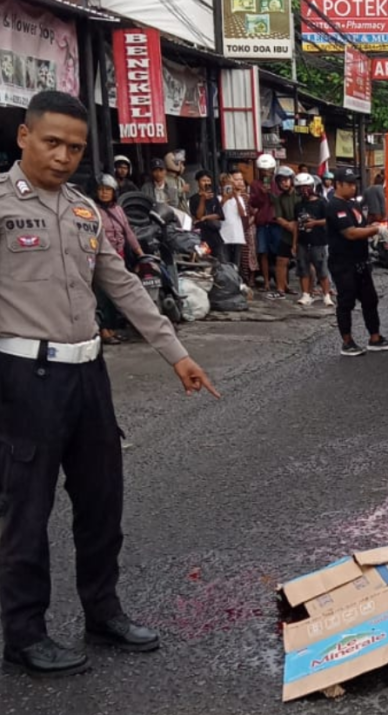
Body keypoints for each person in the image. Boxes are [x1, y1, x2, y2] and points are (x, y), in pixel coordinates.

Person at [0, 91, 218, 679]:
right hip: (24, 376)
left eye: (75, 147)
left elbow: (121, 286)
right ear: (24, 136)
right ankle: (23, 634)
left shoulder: (85, 212)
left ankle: (104, 611)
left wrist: (177, 355)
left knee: (101, 502)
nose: (64, 155)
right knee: (26, 510)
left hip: (88, 374)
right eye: (52, 142)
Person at [326, 168, 388, 356]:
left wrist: (375, 228)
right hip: (343, 262)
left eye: (354, 183)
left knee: (370, 300)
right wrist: (375, 231)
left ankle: (375, 337)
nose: (353, 187)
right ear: (338, 184)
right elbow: (350, 233)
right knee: (346, 301)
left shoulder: (353, 205)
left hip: (361, 260)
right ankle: (347, 342)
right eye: (349, 183)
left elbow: (362, 226)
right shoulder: (334, 205)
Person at [94, 174, 144, 345]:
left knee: (116, 296)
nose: (104, 193)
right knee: (102, 297)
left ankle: (113, 329)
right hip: (101, 259)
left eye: (107, 190)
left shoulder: (119, 210)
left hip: (119, 258)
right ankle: (104, 331)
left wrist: (140, 253)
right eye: (101, 190)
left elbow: (128, 232)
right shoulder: (93, 210)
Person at [293, 172, 334, 307]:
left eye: (306, 187)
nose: (304, 191)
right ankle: (306, 295)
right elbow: (295, 225)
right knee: (303, 269)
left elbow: (330, 221)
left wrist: (314, 223)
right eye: (300, 188)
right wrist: (294, 243)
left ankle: (326, 295)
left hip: (319, 242)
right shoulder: (298, 205)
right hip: (303, 242)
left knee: (322, 270)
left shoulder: (322, 203)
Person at [248, 154, 279, 292]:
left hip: (275, 221)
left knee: (279, 253)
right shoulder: (255, 184)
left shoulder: (277, 184)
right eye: (264, 170)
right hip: (262, 222)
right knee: (263, 252)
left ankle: (281, 282)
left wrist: (270, 193)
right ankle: (266, 281)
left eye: (269, 170)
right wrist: (262, 193)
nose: (266, 173)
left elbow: (277, 201)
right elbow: (254, 203)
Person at [271, 165, 298, 298]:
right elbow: (278, 216)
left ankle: (310, 289)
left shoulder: (299, 194)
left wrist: (296, 225)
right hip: (287, 233)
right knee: (281, 260)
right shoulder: (279, 198)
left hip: (303, 232)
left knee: (309, 262)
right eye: (281, 181)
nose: (284, 183)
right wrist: (288, 225)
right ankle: (281, 287)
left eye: (286, 179)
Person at [188, 169, 226, 263]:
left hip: (215, 235)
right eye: (203, 180)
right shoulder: (194, 199)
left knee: (220, 262)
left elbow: (220, 215)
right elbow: (198, 215)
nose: (206, 183)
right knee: (204, 261)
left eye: (208, 181)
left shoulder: (214, 197)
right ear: (198, 182)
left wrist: (206, 217)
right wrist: (202, 199)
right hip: (201, 236)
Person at [231, 170, 259, 285]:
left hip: (248, 228)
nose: (240, 182)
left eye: (241, 179)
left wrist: (248, 224)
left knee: (250, 253)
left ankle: (251, 278)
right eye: (236, 179)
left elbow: (255, 212)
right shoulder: (228, 197)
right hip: (235, 229)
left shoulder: (247, 197)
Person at [218, 172, 247, 268]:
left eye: (230, 184)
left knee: (236, 264)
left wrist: (236, 198)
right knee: (225, 263)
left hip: (237, 235)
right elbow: (217, 213)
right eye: (225, 184)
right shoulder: (218, 198)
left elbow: (243, 214)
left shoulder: (239, 198)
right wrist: (224, 199)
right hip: (223, 235)